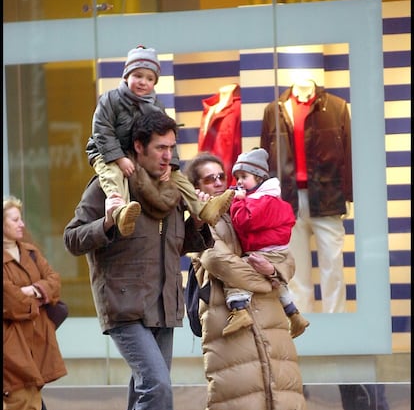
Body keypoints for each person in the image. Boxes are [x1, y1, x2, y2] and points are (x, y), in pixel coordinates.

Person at [64, 110, 210, 410]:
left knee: (142, 399)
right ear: (138, 147)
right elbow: (73, 238)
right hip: (124, 304)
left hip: (163, 307)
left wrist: (199, 224)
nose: (168, 156)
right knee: (157, 387)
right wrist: (109, 224)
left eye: (172, 148)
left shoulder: (171, 192)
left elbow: (174, 247)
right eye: (160, 148)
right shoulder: (110, 186)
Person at [180, 152, 308, 410]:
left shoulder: (251, 205)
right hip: (228, 319)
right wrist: (266, 278)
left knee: (271, 402)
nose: (220, 183)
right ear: (197, 187)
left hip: (267, 318)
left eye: (222, 176)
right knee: (231, 402)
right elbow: (216, 260)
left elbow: (286, 256)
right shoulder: (198, 220)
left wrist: (273, 268)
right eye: (209, 179)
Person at [86, 44, 234, 237]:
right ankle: (120, 213)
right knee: (113, 176)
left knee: (179, 178)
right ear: (126, 76)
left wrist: (170, 165)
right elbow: (102, 130)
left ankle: (202, 208)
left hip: (136, 155)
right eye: (137, 76)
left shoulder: (155, 106)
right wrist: (119, 158)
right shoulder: (111, 99)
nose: (142, 82)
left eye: (149, 78)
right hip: (106, 152)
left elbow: (168, 135)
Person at [260, 79, 353, 313]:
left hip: (328, 195)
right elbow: (266, 156)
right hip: (288, 199)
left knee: (333, 265)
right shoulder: (275, 109)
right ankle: (303, 323)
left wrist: (349, 194)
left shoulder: (337, 106)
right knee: (296, 269)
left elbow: (349, 154)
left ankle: (336, 321)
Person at [3, 196, 67, 410]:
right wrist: (36, 298)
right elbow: (10, 303)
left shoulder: (29, 251)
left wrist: (35, 291)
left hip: (38, 334)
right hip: (11, 335)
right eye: (15, 219)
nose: (22, 224)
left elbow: (54, 281)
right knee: (18, 391)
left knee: (33, 390)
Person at [222, 147, 310, 339]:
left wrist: (237, 201)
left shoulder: (261, 200)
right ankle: (294, 314)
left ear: (259, 178)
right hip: (275, 251)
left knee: (237, 272)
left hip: (266, 251)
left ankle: (239, 310)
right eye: (237, 178)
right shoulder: (267, 198)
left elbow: (244, 221)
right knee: (277, 284)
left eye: (244, 176)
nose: (239, 182)